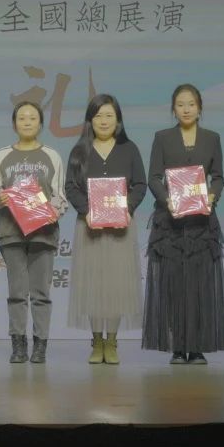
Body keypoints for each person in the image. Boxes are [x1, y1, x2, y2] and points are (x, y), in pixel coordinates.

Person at [144, 84, 224, 365]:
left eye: (191, 104)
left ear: (199, 107)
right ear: (173, 109)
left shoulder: (212, 138)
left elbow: (219, 176)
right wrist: (166, 199)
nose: (186, 109)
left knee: (200, 283)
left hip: (202, 223)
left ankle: (198, 347)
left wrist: (212, 195)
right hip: (170, 223)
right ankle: (178, 347)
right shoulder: (163, 138)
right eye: (180, 104)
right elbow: (154, 177)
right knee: (173, 284)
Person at [64, 94, 146, 365]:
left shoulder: (129, 149)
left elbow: (140, 185)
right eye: (98, 116)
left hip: (122, 229)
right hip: (89, 227)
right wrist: (86, 211)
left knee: (116, 285)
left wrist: (127, 209)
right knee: (93, 284)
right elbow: (70, 187)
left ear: (118, 120)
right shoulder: (79, 150)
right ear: (90, 120)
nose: (104, 121)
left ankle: (112, 341)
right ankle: (96, 340)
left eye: (109, 115)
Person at [0, 101, 68, 364]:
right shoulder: (2, 155)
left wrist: (52, 210)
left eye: (32, 118)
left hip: (43, 233)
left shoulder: (52, 156)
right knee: (17, 293)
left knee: (41, 293)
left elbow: (60, 196)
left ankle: (40, 345)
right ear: (14, 124)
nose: (27, 122)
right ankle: (18, 344)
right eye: (22, 118)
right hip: (11, 232)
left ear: (41, 123)